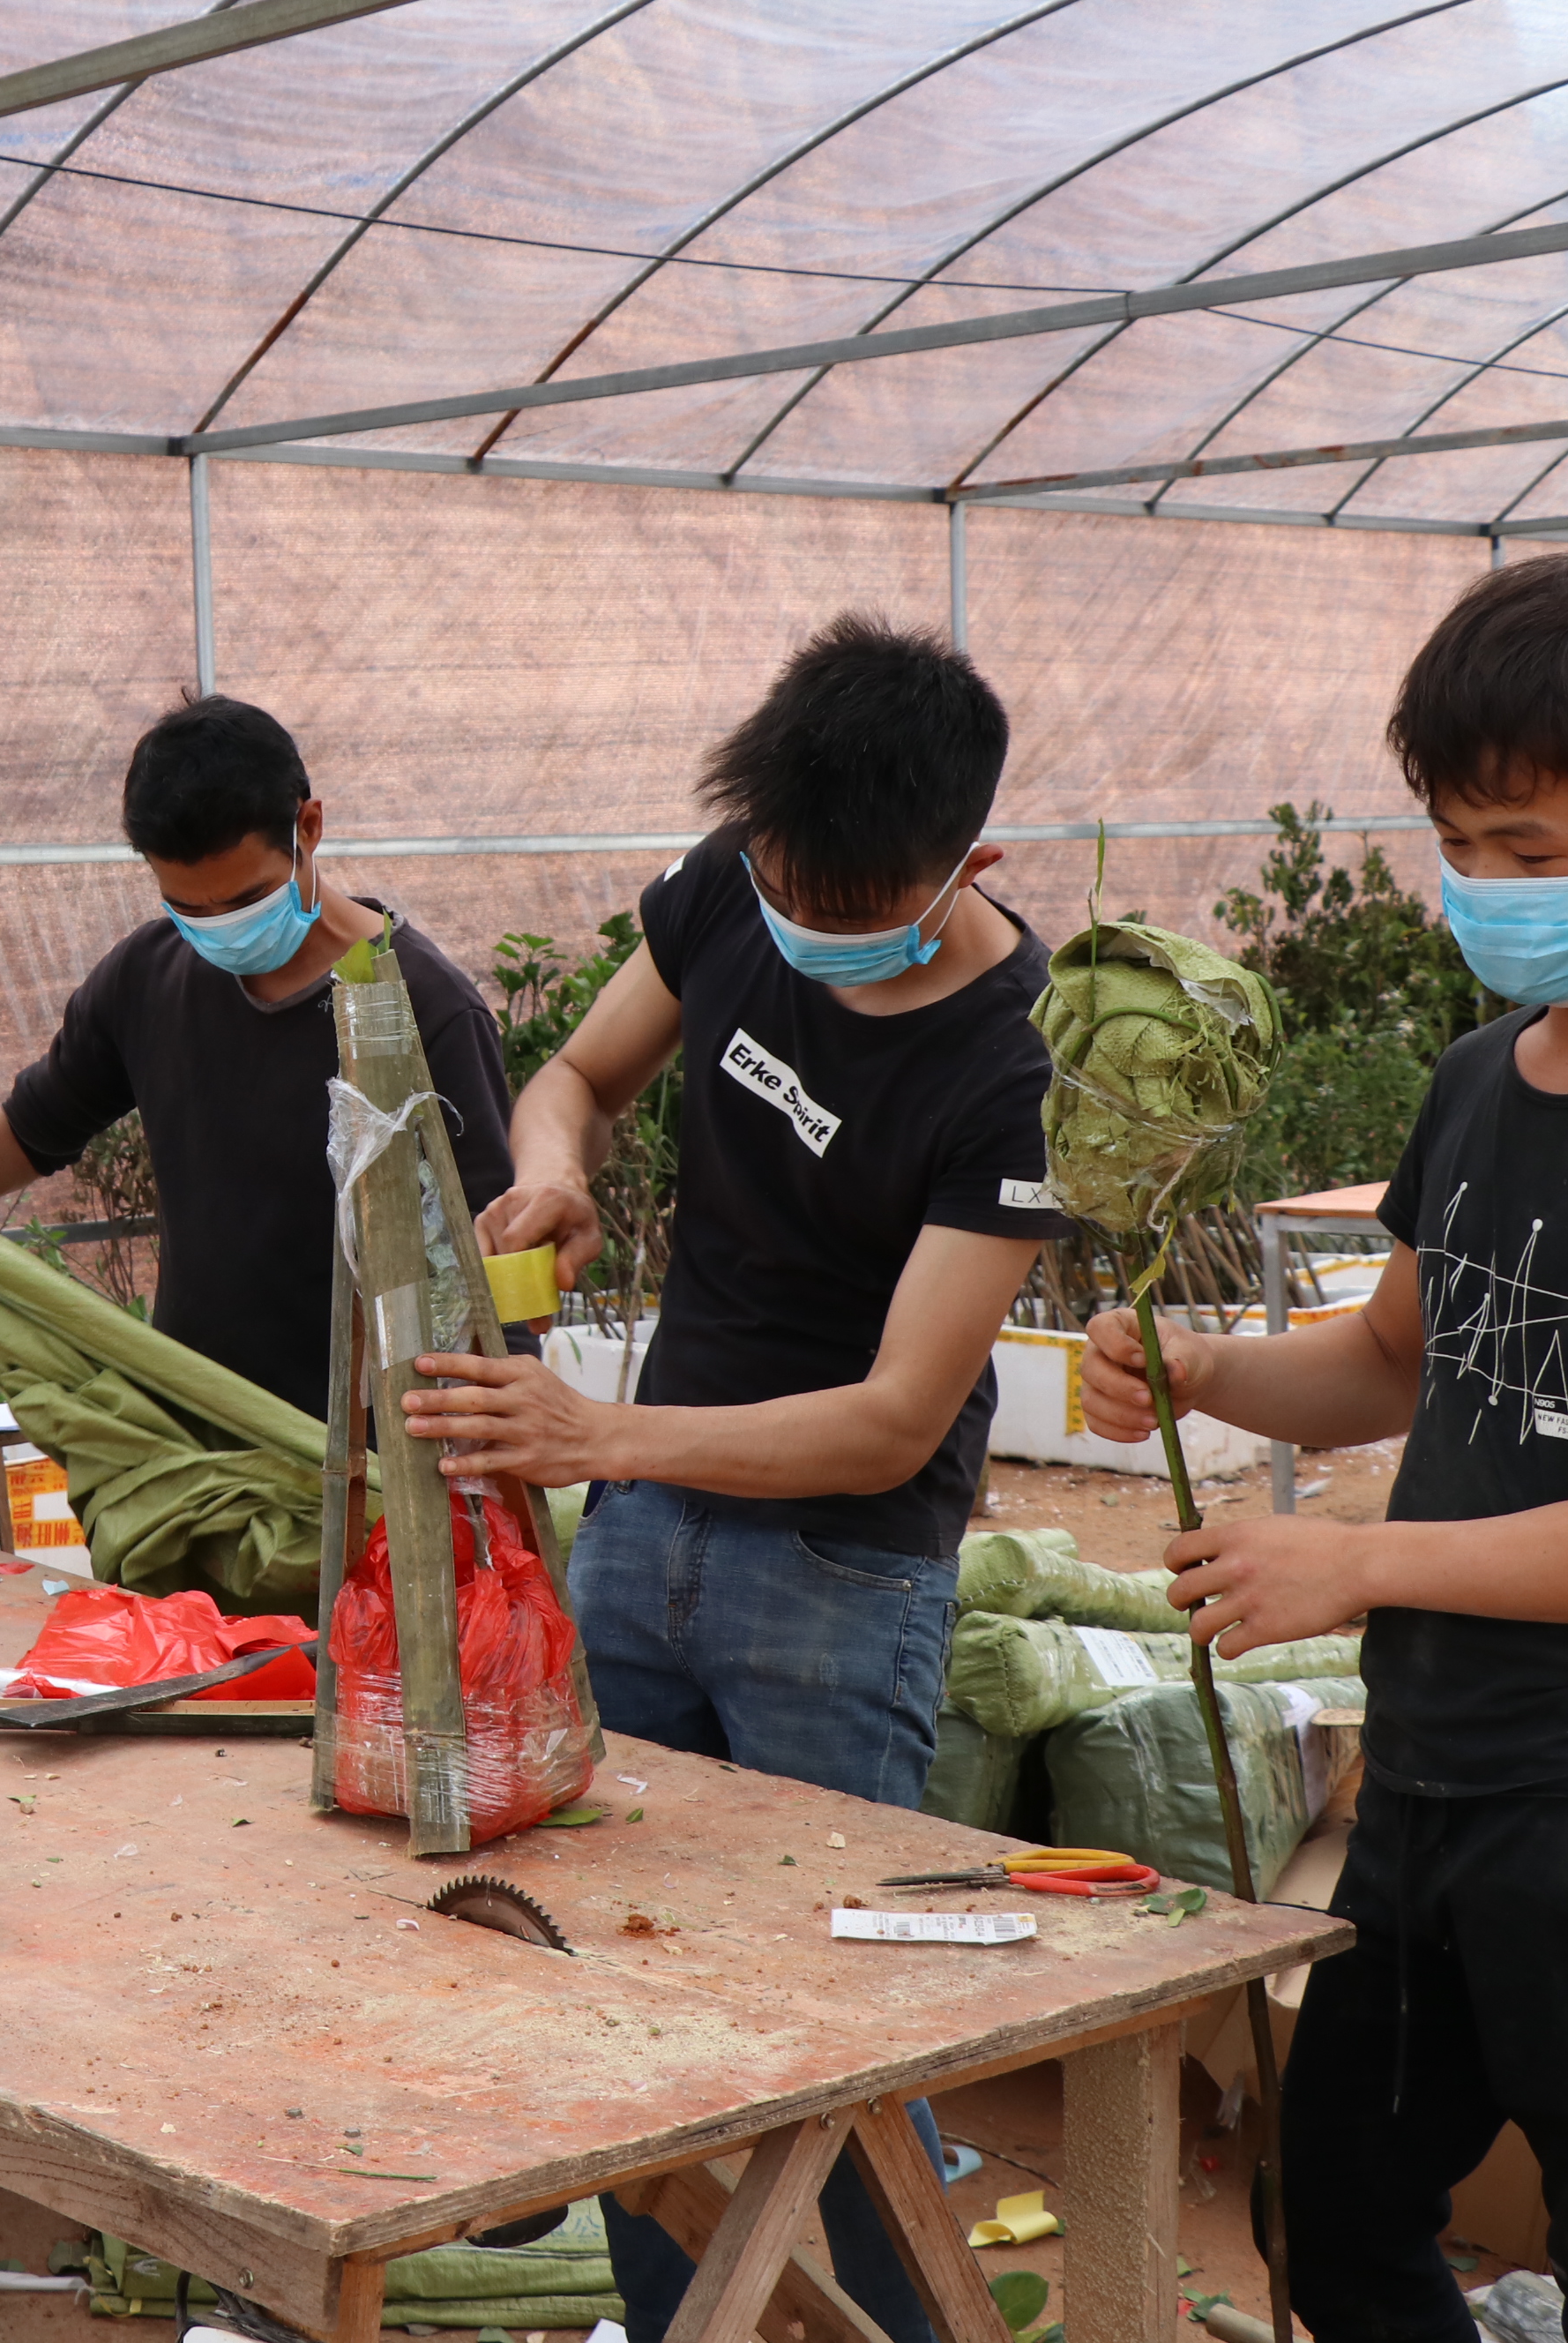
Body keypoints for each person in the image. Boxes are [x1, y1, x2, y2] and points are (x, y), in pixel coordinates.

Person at [1083, 555, 1568, 2340]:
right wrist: (1206, 1364)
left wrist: (1355, 1558)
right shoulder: (1478, 1079)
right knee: (1339, 2219)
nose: (1481, 890)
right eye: (1460, 842)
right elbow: (1390, 1363)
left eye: (1530, 854)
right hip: (1431, 1786)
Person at [402, 615, 1071, 2342]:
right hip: (645, 1545)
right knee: (635, 1983)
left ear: (966, 865)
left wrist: (597, 1436)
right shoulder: (732, 880)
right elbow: (581, 1071)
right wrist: (555, 1167)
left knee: (846, 2024)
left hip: (837, 1583)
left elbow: (894, 1416)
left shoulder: (1009, 1062)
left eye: (848, 908)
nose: (801, 924)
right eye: (781, 880)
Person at [0, 693, 514, 1416]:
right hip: (197, 1437)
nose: (221, 930)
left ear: (309, 827)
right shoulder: (149, 976)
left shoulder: (425, 1007)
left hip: (379, 1465)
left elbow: (494, 1264)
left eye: (247, 898)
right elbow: (26, 1133)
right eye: (191, 909)